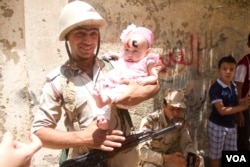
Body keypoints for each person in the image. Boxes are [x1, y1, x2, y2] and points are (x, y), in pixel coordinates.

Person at [31, 1, 159, 167]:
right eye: (80, 33)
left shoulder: (116, 66)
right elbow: (39, 133)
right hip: (87, 160)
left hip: (125, 159)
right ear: (67, 36)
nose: (88, 40)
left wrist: (141, 93)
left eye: (93, 33)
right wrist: (84, 137)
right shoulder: (57, 80)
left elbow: (155, 83)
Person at [93, 24, 159, 130]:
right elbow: (120, 57)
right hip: (115, 88)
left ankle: (104, 100)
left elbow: (154, 77)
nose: (129, 54)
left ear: (147, 52)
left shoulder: (147, 61)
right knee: (104, 94)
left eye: (135, 51)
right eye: (127, 50)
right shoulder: (125, 57)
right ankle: (103, 120)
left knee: (113, 94)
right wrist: (115, 55)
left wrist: (145, 80)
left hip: (127, 90)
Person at [138, 89, 203, 167]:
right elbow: (142, 152)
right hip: (153, 160)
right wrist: (167, 158)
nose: (175, 113)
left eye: (178, 109)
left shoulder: (180, 121)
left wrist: (192, 154)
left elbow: (187, 143)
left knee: (199, 161)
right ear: (164, 106)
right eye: (172, 109)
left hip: (170, 158)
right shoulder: (150, 121)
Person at [207, 55, 250, 167]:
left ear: (235, 71)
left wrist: (244, 101)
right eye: (224, 69)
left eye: (231, 69)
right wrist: (242, 108)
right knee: (216, 156)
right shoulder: (215, 88)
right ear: (219, 71)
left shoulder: (234, 86)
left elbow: (234, 103)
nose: (228, 72)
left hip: (231, 126)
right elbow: (222, 110)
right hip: (217, 126)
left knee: (232, 156)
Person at [234, 33, 250, 151]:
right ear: (249, 44)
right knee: (244, 141)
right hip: (245, 108)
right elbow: (238, 89)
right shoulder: (244, 65)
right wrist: (239, 113)